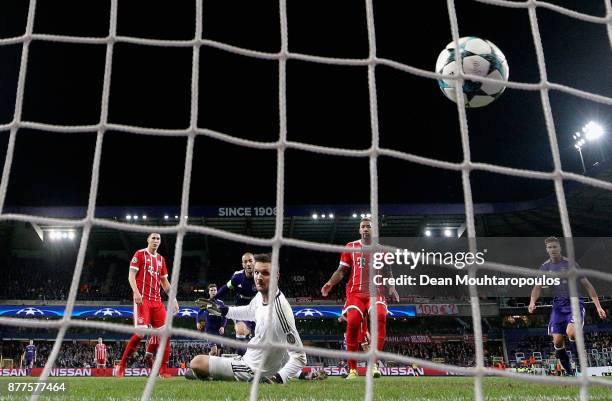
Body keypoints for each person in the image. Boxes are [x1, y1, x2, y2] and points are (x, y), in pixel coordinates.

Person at [187, 253, 306, 383]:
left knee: (196, 362)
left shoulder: (280, 310)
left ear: (276, 276)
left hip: (250, 369)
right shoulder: (260, 296)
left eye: (265, 273)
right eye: (256, 272)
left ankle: (207, 373)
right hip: (248, 359)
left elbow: (299, 357)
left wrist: (278, 378)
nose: (259, 277)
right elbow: (249, 311)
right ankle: (209, 373)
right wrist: (222, 310)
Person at [321, 217, 400, 379]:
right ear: (359, 230)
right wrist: (330, 283)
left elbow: (388, 271)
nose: (365, 229)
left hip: (375, 292)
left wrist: (391, 286)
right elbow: (341, 270)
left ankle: (374, 365)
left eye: (368, 227)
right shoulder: (351, 247)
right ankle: (352, 369)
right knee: (354, 321)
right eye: (363, 226)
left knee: (380, 316)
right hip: (355, 293)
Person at [528, 236, 607, 376]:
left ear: (560, 248)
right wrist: (532, 301)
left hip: (575, 304)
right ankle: (570, 373)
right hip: (558, 306)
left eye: (555, 246)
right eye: (550, 247)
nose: (552, 249)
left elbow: (587, 285)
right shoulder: (545, 267)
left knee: (571, 333)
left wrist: (598, 306)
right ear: (547, 250)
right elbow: (537, 287)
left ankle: (580, 365)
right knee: (557, 342)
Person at [116, 232, 179, 378]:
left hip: (157, 301)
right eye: (153, 238)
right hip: (142, 299)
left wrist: (174, 300)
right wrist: (136, 293)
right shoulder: (139, 254)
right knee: (140, 333)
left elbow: (165, 283)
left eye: (158, 239)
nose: (156, 241)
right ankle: (122, 364)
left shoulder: (161, 260)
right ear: (148, 240)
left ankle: (163, 371)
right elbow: (131, 275)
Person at [214, 252, 257, 354]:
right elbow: (225, 288)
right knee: (240, 330)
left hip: (257, 308)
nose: (248, 264)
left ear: (255, 262)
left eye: (250, 261)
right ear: (242, 265)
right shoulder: (237, 277)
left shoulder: (261, 275)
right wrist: (214, 299)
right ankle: (241, 359)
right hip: (241, 308)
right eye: (245, 262)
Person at [196, 283, 228, 356]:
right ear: (209, 292)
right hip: (209, 330)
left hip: (219, 330)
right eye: (211, 290)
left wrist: (223, 326)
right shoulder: (206, 303)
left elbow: (225, 316)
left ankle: (213, 366)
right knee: (214, 351)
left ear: (217, 291)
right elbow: (199, 313)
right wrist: (198, 322)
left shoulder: (221, 303)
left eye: (215, 290)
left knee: (218, 353)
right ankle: (207, 362)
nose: (213, 291)